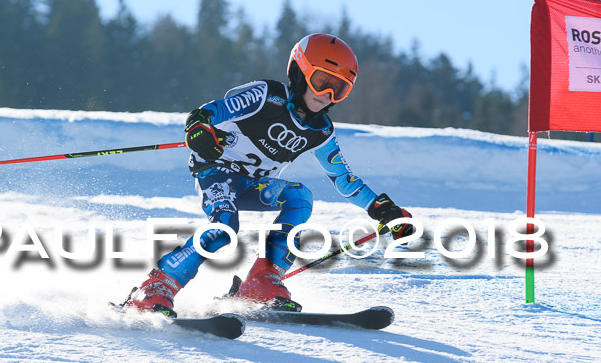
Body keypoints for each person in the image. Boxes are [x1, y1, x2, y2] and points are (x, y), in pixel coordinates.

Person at [123, 33, 413, 318]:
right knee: (225, 225)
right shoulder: (267, 96)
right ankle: (155, 286)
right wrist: (200, 128)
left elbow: (344, 179)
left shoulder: (322, 132)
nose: (327, 95)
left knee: (300, 196)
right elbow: (210, 112)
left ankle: (262, 280)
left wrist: (382, 209)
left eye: (339, 89)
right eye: (322, 82)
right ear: (300, 72)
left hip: (252, 184)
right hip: (216, 170)